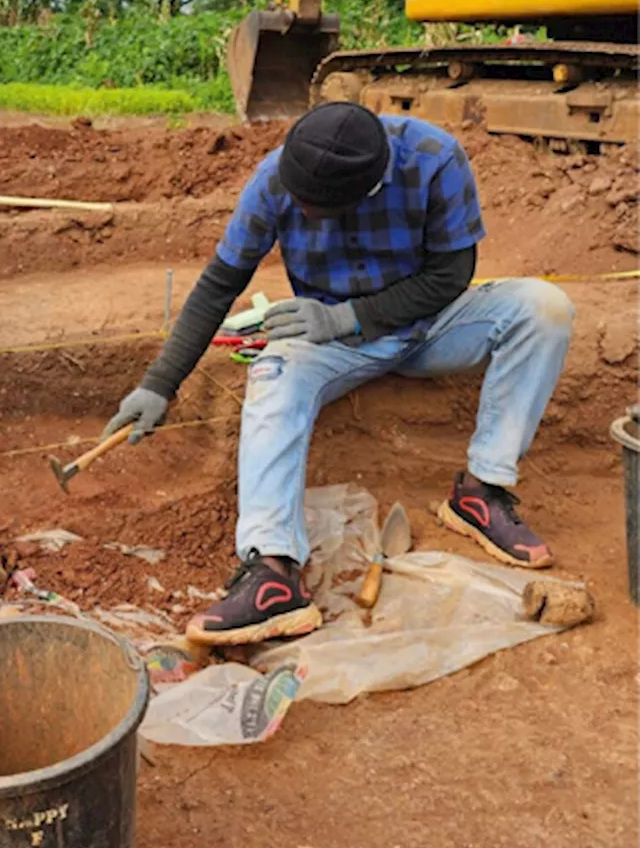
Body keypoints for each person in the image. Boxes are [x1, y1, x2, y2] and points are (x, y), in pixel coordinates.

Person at [105, 102, 573, 647]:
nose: (300, 211)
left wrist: (351, 315)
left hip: (433, 326)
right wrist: (159, 382)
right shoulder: (275, 178)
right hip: (332, 345)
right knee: (273, 371)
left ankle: (481, 492)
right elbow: (219, 283)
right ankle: (273, 571)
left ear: (366, 193)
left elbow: (453, 273)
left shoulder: (434, 160)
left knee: (544, 307)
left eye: (314, 210)